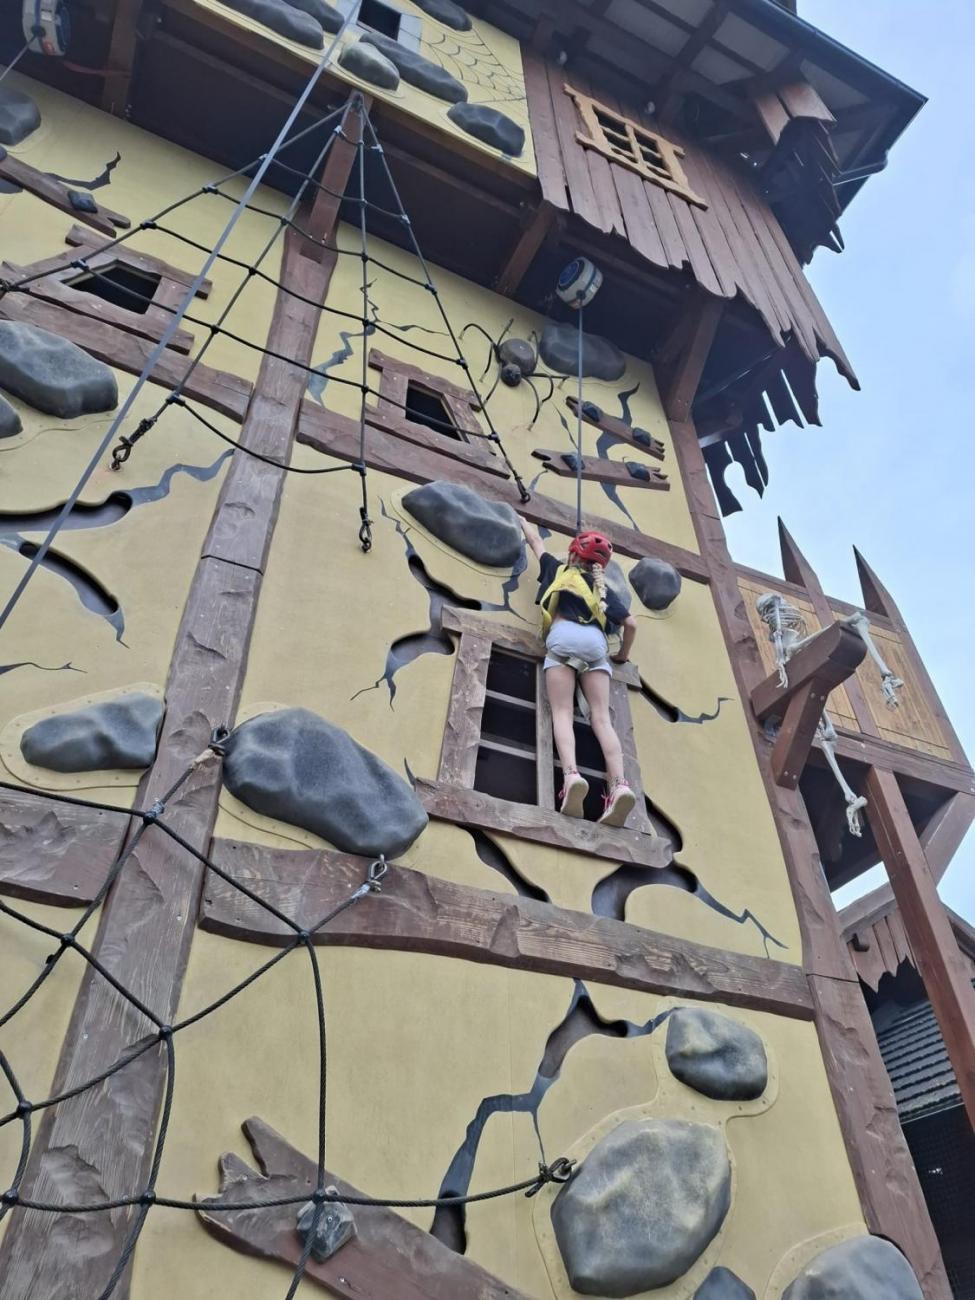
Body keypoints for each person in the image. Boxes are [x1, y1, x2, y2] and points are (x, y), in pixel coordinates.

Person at [521, 518, 638, 826]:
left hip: (563, 638)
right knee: (601, 718)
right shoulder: (602, 589)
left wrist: (521, 519)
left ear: (572, 555)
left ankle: (571, 776)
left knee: (562, 713)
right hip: (596, 646)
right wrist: (622, 656)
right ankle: (620, 786)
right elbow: (631, 624)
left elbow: (536, 543)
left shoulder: (555, 570)